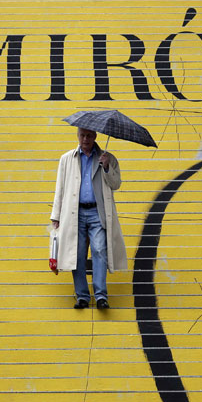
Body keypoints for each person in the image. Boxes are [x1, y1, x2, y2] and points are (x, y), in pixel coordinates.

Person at [51, 127, 128, 309]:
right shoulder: (67, 159)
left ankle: (100, 296)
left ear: (95, 137)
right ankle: (82, 297)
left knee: (99, 250)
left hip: (97, 212)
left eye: (89, 136)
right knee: (77, 253)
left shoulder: (107, 158)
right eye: (82, 135)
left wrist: (107, 167)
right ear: (77, 136)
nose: (85, 139)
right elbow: (60, 188)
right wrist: (56, 216)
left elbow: (116, 184)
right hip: (74, 213)